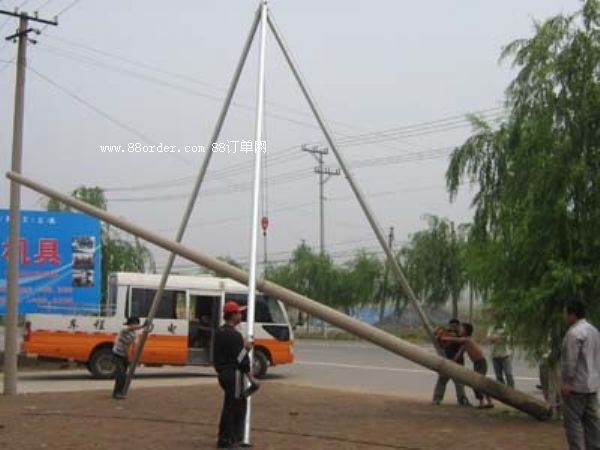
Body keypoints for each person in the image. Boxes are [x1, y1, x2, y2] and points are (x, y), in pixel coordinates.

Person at [214, 301, 260, 449]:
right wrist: (246, 349)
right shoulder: (234, 335)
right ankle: (229, 440)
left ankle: (227, 439)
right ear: (233, 315)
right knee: (235, 407)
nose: (241, 315)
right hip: (233, 374)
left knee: (233, 404)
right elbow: (240, 360)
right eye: (239, 313)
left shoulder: (220, 332)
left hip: (223, 374)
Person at [561, 300, 600, 450]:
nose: (564, 317)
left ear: (573, 315)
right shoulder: (594, 331)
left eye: (566, 313)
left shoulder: (574, 333)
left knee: (573, 422)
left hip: (576, 387)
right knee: (592, 422)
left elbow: (571, 360)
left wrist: (568, 383)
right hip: (592, 385)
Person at [442, 322, 494, 409]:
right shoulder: (464, 342)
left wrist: (444, 338)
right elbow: (459, 354)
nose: (459, 329)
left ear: (466, 331)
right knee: (480, 383)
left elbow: (456, 340)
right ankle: (486, 402)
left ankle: (485, 402)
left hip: (481, 363)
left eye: (461, 328)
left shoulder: (467, 339)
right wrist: (453, 360)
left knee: (477, 383)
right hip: (477, 363)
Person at [432, 318, 470, 406]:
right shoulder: (446, 332)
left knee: (459, 382)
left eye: (454, 326)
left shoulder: (461, 334)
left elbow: (463, 346)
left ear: (457, 326)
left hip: (457, 361)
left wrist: (458, 355)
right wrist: (440, 329)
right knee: (442, 380)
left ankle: (462, 400)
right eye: (451, 325)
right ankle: (437, 399)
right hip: (447, 360)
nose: (452, 327)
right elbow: (436, 335)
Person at [112, 316, 146, 399]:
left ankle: (120, 392)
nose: (136, 326)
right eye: (135, 324)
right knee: (121, 374)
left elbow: (135, 345)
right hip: (116, 354)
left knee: (123, 375)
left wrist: (134, 359)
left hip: (124, 355)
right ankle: (116, 393)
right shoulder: (123, 329)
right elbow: (131, 328)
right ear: (130, 324)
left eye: (137, 324)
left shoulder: (135, 334)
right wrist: (142, 326)